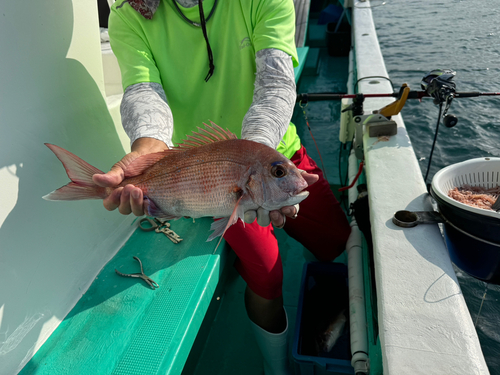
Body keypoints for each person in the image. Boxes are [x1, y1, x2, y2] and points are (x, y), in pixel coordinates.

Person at [93, 0, 351, 373]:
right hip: (202, 175)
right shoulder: (129, 12)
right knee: (267, 272)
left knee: (337, 240)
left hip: (276, 155)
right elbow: (143, 90)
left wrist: (257, 159)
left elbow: (276, 82)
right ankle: (276, 367)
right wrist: (148, 149)